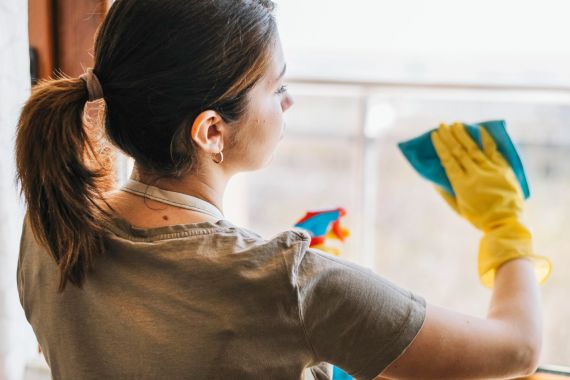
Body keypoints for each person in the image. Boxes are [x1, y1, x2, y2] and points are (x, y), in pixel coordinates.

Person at [15, 0, 547, 379]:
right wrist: (504, 225)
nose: (288, 104)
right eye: (279, 87)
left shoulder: (50, 225)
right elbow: (518, 349)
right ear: (211, 132)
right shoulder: (287, 286)